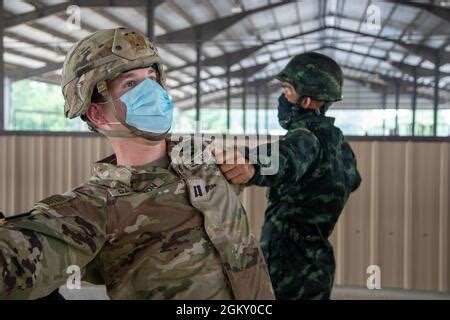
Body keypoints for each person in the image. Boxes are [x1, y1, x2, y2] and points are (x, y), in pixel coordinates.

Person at [0, 27, 274, 300]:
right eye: (130, 84)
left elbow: (285, 158)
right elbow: (18, 260)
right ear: (96, 114)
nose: (151, 91)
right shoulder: (96, 207)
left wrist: (250, 165)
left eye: (152, 78)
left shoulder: (203, 159)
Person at [216, 52, 362, 300]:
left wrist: (250, 164)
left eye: (287, 89)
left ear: (306, 101)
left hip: (287, 263)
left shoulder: (306, 137)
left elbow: (287, 157)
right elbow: (353, 180)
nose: (282, 97)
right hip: (318, 261)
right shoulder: (339, 142)